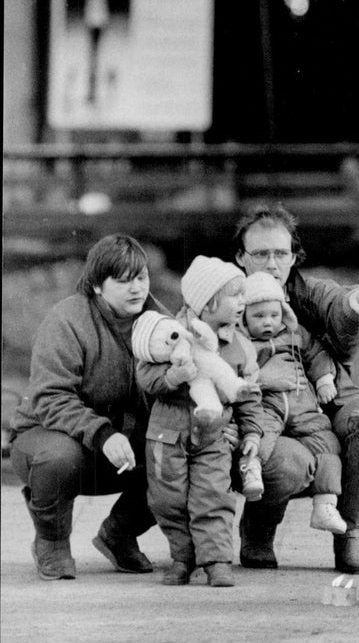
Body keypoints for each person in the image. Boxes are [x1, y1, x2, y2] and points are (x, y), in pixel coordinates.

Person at [233, 203, 359, 574]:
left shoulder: (307, 292)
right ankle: (258, 529)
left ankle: (351, 535)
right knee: (289, 461)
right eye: (260, 254)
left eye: (280, 253)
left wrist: (356, 304)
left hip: (321, 407)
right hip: (259, 416)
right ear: (242, 257)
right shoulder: (229, 297)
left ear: (293, 256)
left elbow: (337, 300)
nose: (272, 264)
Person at [9, 234, 158, 581]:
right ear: (96, 286)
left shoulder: (157, 322)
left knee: (176, 452)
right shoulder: (67, 320)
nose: (137, 288)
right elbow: (51, 397)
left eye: (141, 277)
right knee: (60, 458)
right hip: (47, 434)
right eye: (123, 281)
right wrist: (104, 433)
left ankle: (119, 532)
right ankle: (52, 541)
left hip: (118, 441)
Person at [133, 256, 264, 587]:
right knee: (167, 499)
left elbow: (248, 394)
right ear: (207, 301)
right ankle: (182, 557)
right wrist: (174, 376)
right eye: (234, 295)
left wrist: (251, 431)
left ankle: (216, 560)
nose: (242, 302)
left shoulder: (240, 346)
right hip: (166, 434)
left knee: (213, 495)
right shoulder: (167, 332)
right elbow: (146, 376)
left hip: (213, 435)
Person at [240, 270, 348, 536]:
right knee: (260, 431)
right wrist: (258, 379)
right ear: (243, 317)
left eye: (274, 315)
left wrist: (324, 380)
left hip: (303, 403)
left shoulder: (295, 334)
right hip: (267, 403)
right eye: (258, 316)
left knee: (328, 442)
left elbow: (316, 355)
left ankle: (325, 503)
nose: (268, 322)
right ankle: (251, 467)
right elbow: (232, 371)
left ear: (284, 314)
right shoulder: (241, 343)